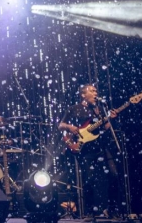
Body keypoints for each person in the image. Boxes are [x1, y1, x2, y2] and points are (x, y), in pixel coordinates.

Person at [58, 84, 119, 221]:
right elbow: (61, 125)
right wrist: (70, 126)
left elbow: (105, 127)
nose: (95, 92)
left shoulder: (100, 110)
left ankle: (112, 209)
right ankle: (90, 212)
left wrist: (111, 120)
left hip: (101, 146)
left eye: (96, 90)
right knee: (89, 179)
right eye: (92, 90)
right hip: (86, 149)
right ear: (83, 95)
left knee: (114, 175)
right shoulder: (74, 109)